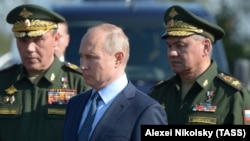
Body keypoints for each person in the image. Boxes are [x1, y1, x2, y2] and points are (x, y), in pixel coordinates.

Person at [63, 23, 167, 141]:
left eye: (91, 57)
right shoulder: (75, 104)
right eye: (81, 56)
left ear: (118, 58)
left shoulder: (145, 110)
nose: (83, 66)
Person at [0, 4, 88, 141]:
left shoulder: (79, 83)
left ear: (56, 40)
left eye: (38, 39)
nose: (29, 48)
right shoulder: (3, 81)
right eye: (23, 40)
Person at [149, 5, 250, 125]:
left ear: (206, 47)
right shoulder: (159, 94)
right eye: (169, 46)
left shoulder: (233, 96)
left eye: (180, 45)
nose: (172, 53)